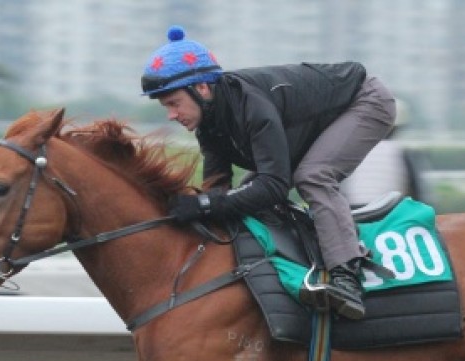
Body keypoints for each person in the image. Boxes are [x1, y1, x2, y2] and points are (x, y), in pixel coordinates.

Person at [140, 25, 397, 320]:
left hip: (365, 101)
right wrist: (195, 209)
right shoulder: (209, 123)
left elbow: (274, 185)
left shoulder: (252, 106)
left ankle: (345, 275)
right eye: (166, 107)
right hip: (314, 120)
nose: (171, 115)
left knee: (312, 177)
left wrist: (205, 205)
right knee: (250, 196)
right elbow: (217, 189)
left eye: (174, 104)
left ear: (201, 88)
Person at [341, 101, 430, 209]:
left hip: (353, 213)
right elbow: (417, 192)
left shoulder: (352, 151)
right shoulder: (400, 152)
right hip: (388, 212)